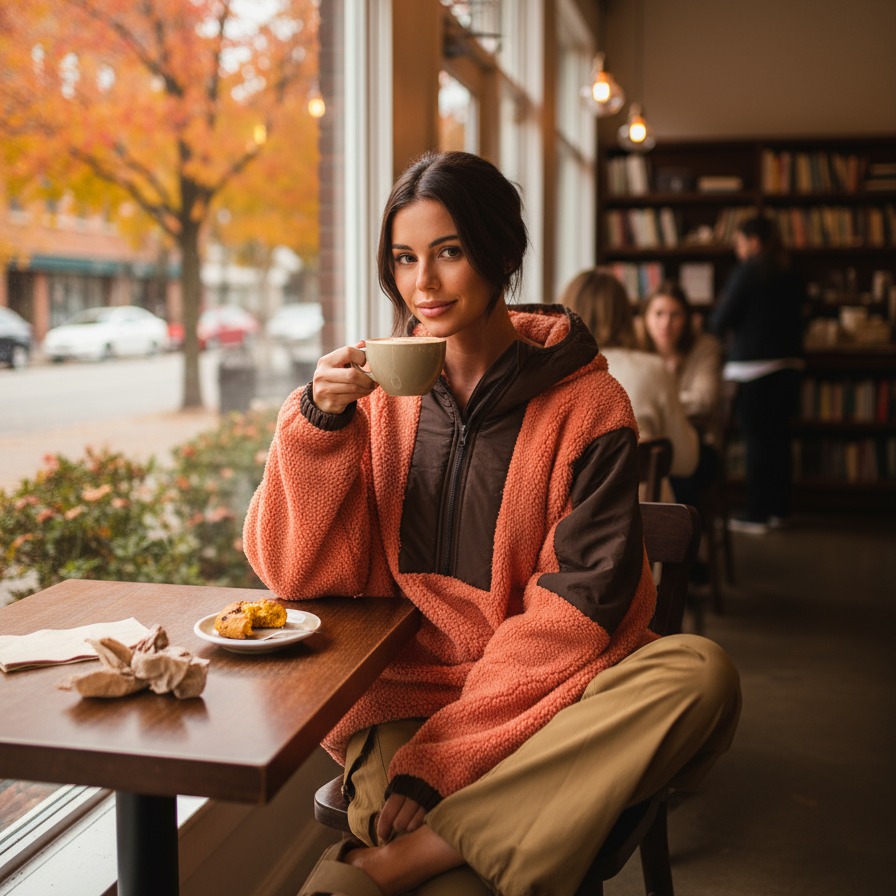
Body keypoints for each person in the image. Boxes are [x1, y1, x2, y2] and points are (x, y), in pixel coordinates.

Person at [243, 151, 740, 896]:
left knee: (701, 673)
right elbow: (293, 575)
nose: (423, 283)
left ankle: (399, 860)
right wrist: (317, 427)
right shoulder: (369, 398)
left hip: (552, 695)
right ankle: (442, 853)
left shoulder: (591, 407)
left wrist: (448, 763)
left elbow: (579, 611)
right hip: (407, 700)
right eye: (404, 258)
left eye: (449, 252)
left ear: (502, 254)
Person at [559, 269, 700, 497]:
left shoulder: (550, 374)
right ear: (626, 315)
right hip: (642, 512)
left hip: (569, 514)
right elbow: (686, 461)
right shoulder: (653, 369)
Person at [710, 214, 806, 534]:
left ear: (754, 241)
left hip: (754, 369)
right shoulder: (791, 272)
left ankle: (756, 514)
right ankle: (779, 509)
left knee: (757, 442)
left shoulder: (749, 272)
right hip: (790, 366)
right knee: (779, 441)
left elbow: (721, 319)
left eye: (739, 242)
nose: (738, 250)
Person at [641, 279, 724, 507]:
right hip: (648, 443)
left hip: (698, 442)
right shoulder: (637, 350)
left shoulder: (704, 348)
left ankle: (681, 528)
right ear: (645, 318)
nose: (666, 323)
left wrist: (659, 404)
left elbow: (704, 400)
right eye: (658, 314)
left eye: (674, 315)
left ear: (687, 319)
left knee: (677, 473)